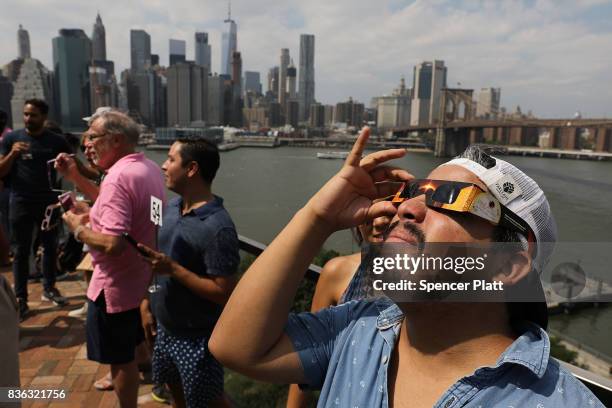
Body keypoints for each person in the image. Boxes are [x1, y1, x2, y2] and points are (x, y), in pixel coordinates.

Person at [209, 128, 604, 407]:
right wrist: (318, 217)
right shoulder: (357, 330)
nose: (405, 207)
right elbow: (234, 347)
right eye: (412, 191)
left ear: (506, 267)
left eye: (450, 198)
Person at [59, 109, 165, 408]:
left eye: (92, 137)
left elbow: (114, 243)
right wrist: (77, 180)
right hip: (140, 277)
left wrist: (79, 230)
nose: (86, 144)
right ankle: (144, 363)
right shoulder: (147, 168)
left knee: (120, 362)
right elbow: (128, 211)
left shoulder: (118, 177)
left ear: (115, 140)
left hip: (113, 288)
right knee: (129, 345)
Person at [138, 138, 239, 408]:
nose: (163, 165)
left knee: (209, 400)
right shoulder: (167, 207)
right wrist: (146, 303)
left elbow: (223, 293)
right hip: (164, 327)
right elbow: (152, 256)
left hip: (197, 340)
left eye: (171, 159)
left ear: (192, 169)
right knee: (176, 394)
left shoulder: (219, 228)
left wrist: (173, 269)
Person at [286, 218, 389, 408]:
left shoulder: (429, 279)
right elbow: (307, 352)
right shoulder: (337, 272)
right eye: (369, 213)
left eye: (390, 208)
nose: (379, 221)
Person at [0, 99, 72, 321]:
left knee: (49, 247)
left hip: (48, 204)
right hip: (20, 201)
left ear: (44, 116)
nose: (28, 119)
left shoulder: (57, 141)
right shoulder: (12, 139)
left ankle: (50, 288)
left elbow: (72, 167)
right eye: (25, 114)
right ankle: (21, 298)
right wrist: (12, 154)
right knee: (21, 251)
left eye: (33, 115)